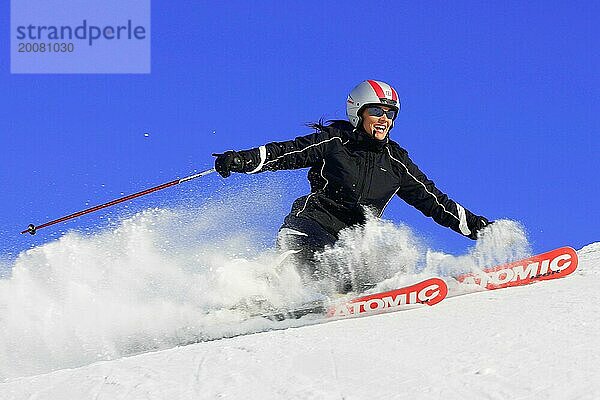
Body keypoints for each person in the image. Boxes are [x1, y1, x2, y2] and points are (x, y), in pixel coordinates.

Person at [213, 80, 491, 291]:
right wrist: (243, 160)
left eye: (390, 114)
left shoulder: (396, 162)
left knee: (372, 269)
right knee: (301, 264)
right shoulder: (334, 142)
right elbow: (287, 152)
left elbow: (435, 201)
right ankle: (254, 297)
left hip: (354, 243)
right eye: (377, 111)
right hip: (312, 225)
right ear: (358, 112)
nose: (384, 119)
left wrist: (479, 228)